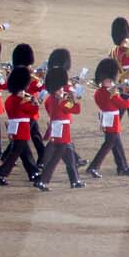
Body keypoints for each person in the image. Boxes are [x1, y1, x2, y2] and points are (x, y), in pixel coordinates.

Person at [83, 58, 129, 184]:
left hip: (106, 118)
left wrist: (118, 90)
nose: (112, 82)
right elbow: (123, 105)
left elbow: (112, 95)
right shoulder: (111, 93)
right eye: (110, 80)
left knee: (116, 144)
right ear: (106, 80)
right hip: (112, 120)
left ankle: (122, 167)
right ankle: (93, 167)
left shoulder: (99, 92)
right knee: (108, 144)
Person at [34, 63, 85, 191]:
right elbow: (77, 110)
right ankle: (43, 181)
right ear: (56, 89)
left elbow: (49, 108)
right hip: (63, 130)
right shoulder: (62, 102)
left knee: (70, 157)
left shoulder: (50, 99)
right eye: (61, 88)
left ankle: (75, 180)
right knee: (57, 157)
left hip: (57, 128)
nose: (63, 89)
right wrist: (75, 98)